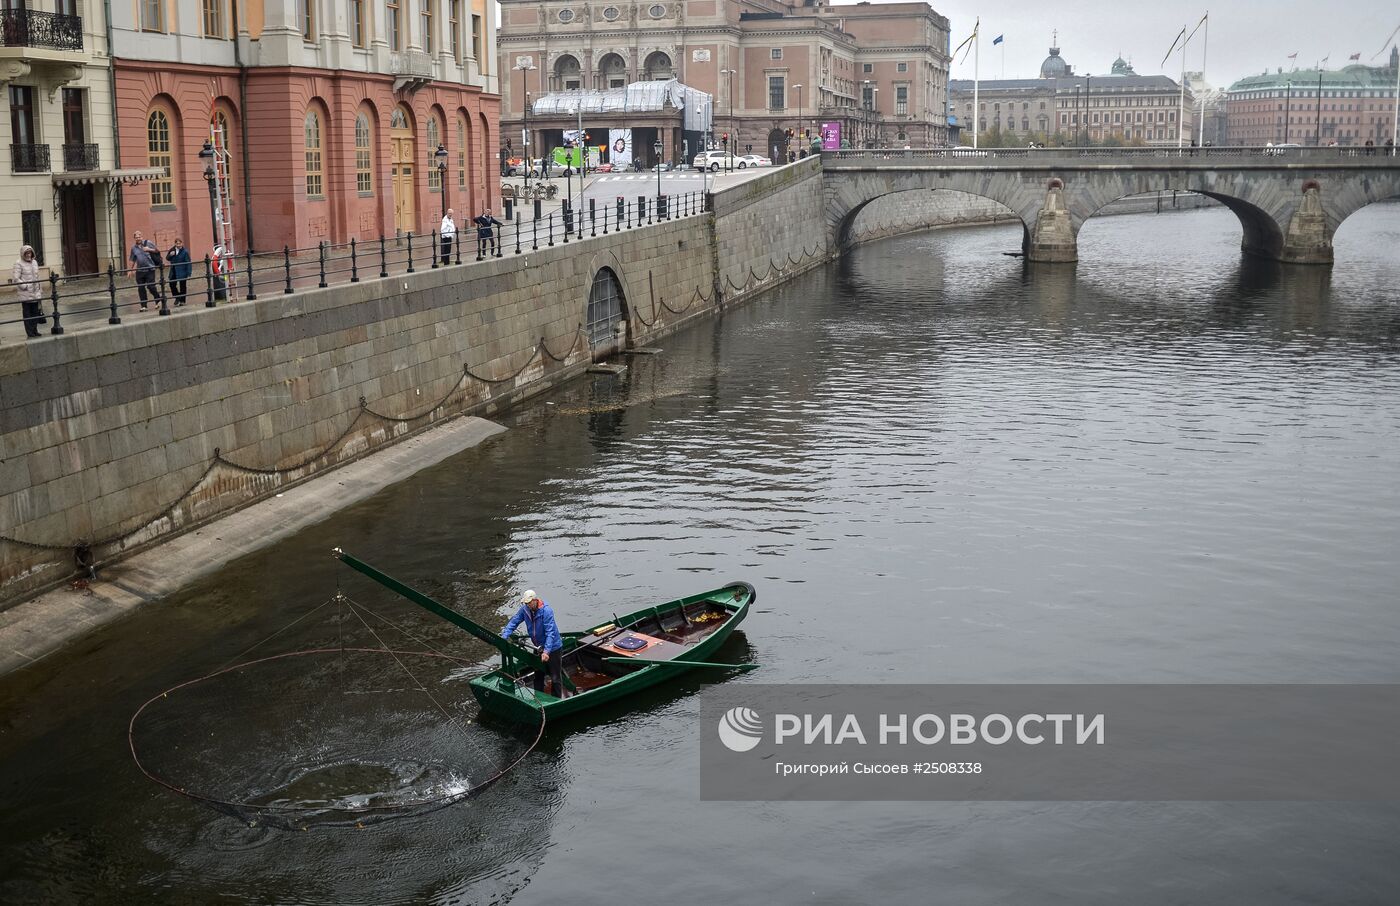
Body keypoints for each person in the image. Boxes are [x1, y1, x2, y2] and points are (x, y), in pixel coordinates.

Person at [501, 589, 564, 695]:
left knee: (555, 677)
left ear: (535, 600)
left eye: (529, 603)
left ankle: (556, 700)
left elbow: (550, 633)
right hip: (538, 647)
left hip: (553, 648)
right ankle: (539, 697)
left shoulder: (546, 611)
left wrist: (547, 651)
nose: (528, 605)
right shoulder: (525, 610)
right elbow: (514, 621)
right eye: (526, 603)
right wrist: (504, 636)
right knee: (538, 675)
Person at [12, 245, 44, 339]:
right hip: (25, 293)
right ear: (23, 254)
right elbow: (16, 278)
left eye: (30, 253)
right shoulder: (18, 263)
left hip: (35, 292)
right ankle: (30, 332)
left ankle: (35, 330)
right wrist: (25, 286)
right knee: (27, 313)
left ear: (32, 253)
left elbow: (37, 277)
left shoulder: (34, 262)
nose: (28, 255)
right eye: (26, 253)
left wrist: (40, 289)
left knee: (35, 312)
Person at [129, 231, 164, 311]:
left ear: (142, 237)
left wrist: (149, 249)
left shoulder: (148, 242)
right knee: (141, 288)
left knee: (151, 286)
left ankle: (158, 299)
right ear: (134, 238)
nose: (138, 238)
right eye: (136, 237)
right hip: (140, 270)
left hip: (150, 269)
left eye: (139, 236)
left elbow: (157, 251)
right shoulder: (133, 248)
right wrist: (130, 270)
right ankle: (144, 305)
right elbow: (133, 259)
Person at [165, 237, 191, 307]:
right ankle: (177, 297)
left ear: (182, 244)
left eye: (179, 243)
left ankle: (182, 301)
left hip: (182, 270)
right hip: (173, 270)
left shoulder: (185, 251)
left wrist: (189, 272)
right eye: (177, 243)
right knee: (172, 284)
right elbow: (167, 258)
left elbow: (188, 262)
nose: (178, 245)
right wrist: (171, 255)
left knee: (182, 286)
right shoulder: (172, 249)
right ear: (175, 244)